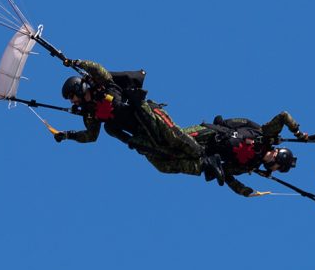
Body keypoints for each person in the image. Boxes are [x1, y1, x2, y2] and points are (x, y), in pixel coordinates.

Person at [53, 60, 224, 180]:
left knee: (174, 137)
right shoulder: (92, 115)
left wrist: (76, 63)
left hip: (148, 115)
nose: (72, 101)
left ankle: (206, 156)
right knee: (161, 164)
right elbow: (91, 136)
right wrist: (68, 135)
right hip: (141, 135)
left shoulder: (104, 85)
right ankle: (204, 166)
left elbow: (98, 69)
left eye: (72, 96)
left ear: (79, 88)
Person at [151, 113, 310, 197]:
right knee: (172, 137)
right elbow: (283, 116)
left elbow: (227, 176)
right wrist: (298, 132)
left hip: (205, 155)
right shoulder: (266, 135)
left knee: (164, 165)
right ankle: (151, 111)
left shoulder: (250, 166)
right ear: (280, 158)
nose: (274, 170)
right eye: (278, 168)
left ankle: (139, 141)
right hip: (210, 134)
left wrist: (245, 191)